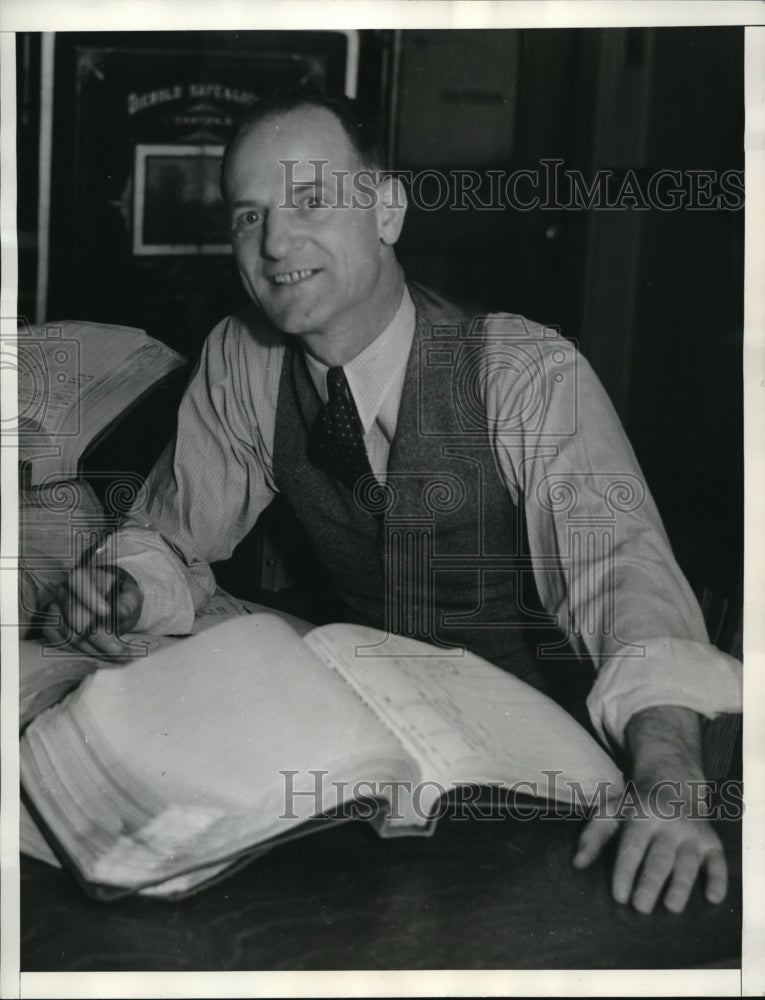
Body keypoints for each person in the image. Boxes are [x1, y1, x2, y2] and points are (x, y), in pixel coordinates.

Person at [44, 90, 742, 916]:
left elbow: (619, 572)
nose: (274, 243)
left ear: (385, 212)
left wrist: (665, 776)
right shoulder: (242, 356)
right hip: (377, 744)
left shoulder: (520, 367)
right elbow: (169, 531)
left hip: (566, 758)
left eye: (310, 201)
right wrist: (127, 583)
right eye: (247, 215)